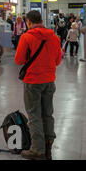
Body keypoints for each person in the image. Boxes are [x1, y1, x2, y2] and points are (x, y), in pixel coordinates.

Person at [15, 10, 61, 160]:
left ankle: (37, 150)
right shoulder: (54, 37)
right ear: (41, 20)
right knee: (47, 114)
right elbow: (58, 61)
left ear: (28, 22)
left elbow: (19, 60)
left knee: (34, 115)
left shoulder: (26, 37)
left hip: (32, 81)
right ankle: (48, 146)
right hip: (49, 81)